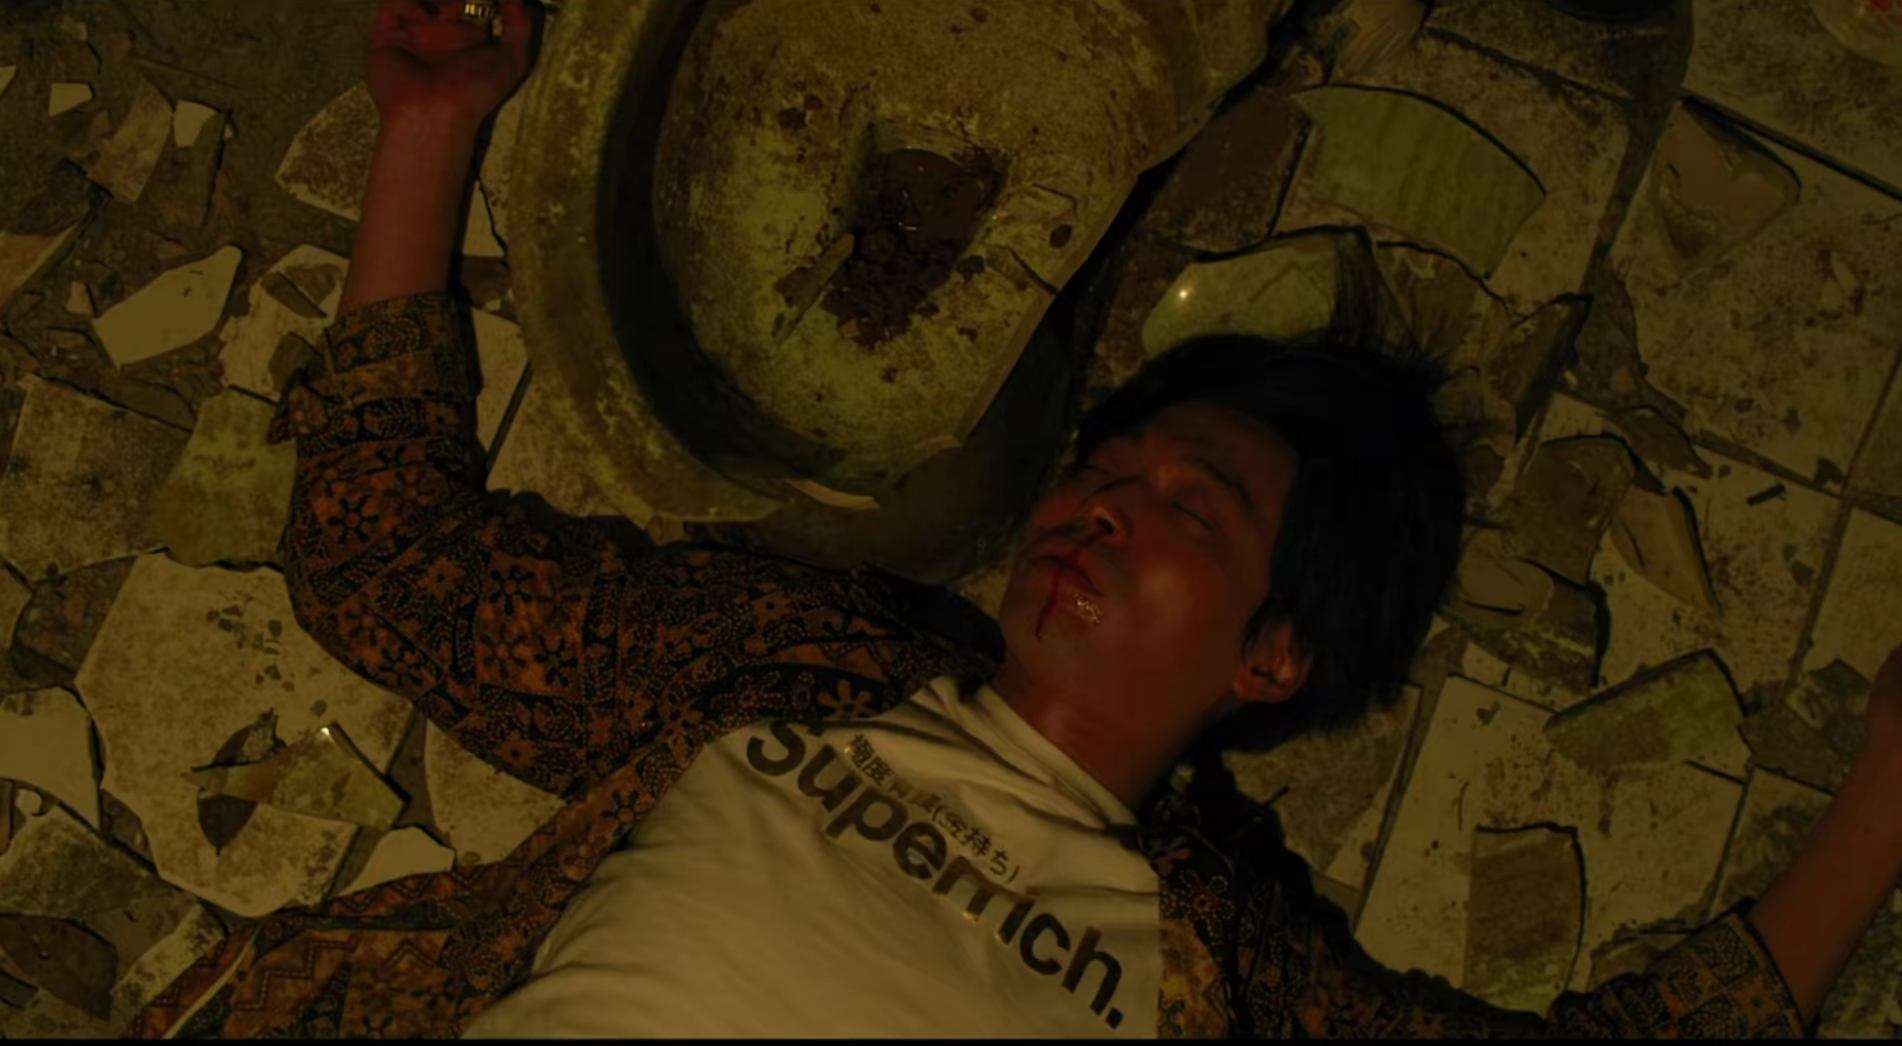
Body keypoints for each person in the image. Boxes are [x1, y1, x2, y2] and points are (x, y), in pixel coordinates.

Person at [137, 0, 1902, 1037]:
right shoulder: (776, 664)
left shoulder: (1226, 973)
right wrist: (430, 131)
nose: (1104, 510)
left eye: (1189, 508)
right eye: (1112, 468)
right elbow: (386, 557)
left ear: (1274, 653)